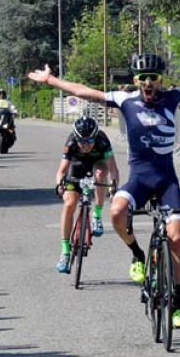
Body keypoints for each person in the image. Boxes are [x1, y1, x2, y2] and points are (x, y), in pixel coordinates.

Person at [29, 53, 180, 330]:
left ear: (160, 79)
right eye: (143, 78)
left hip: (166, 180)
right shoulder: (124, 99)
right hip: (139, 178)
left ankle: (177, 303)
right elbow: (84, 92)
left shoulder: (173, 97)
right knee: (116, 212)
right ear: (136, 80)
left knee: (176, 238)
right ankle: (138, 254)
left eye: (153, 78)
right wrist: (51, 80)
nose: (148, 83)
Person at [53, 116, 120, 273]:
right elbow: (61, 171)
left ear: (95, 137)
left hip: (97, 164)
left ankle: (97, 214)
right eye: (81, 141)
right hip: (76, 167)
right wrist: (59, 184)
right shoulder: (71, 142)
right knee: (69, 204)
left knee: (101, 175)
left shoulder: (102, 140)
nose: (85, 145)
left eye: (89, 141)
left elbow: (113, 169)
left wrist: (113, 188)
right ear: (76, 138)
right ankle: (65, 251)